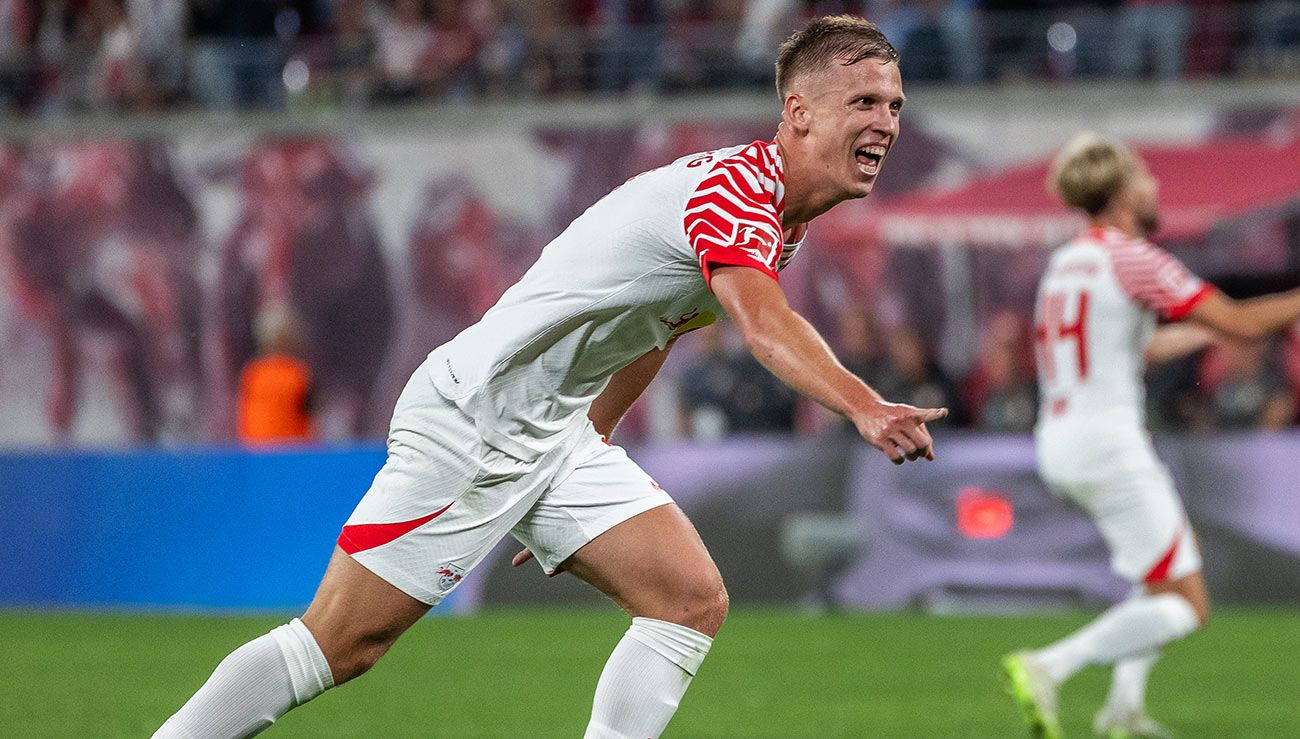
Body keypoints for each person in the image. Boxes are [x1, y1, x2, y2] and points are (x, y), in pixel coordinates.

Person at [155, 15, 947, 738]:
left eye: (895, 106)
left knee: (689, 601)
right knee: (338, 644)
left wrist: (584, 448)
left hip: (555, 432)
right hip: (478, 417)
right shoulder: (735, 193)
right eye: (866, 102)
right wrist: (865, 404)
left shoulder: (781, 221)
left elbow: (656, 327)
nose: (886, 123)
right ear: (800, 112)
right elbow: (765, 327)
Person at [1003, 133, 1300, 739]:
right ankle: (1051, 666)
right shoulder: (1132, 257)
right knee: (1189, 606)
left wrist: (1206, 337)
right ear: (1119, 194)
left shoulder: (1066, 263)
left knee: (1154, 575)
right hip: (1110, 443)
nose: (1154, 186)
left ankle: (1124, 712)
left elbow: (1134, 348)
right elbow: (1242, 319)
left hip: (1060, 437)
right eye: (1143, 178)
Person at [236, 305, 315, 446]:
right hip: (293, 453)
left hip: (257, 452)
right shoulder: (298, 375)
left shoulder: (253, 374)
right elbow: (310, 414)